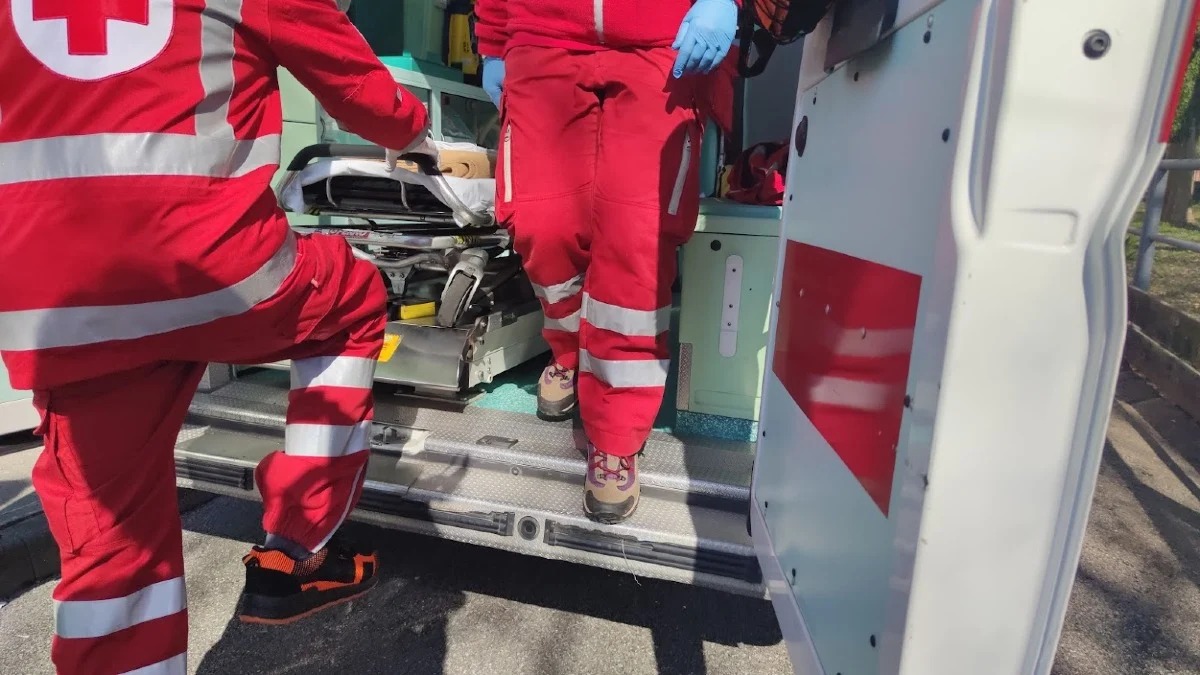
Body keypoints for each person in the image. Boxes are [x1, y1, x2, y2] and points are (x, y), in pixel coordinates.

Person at [0, 0, 432, 671]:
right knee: (351, 300)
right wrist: (419, 130)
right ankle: (300, 538)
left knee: (113, 541)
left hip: (56, 300)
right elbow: (368, 102)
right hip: (213, 272)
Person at [474, 0, 739, 524]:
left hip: (661, 42)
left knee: (634, 239)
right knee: (539, 223)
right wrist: (490, 41)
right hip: (541, 32)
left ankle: (615, 432)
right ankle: (571, 349)